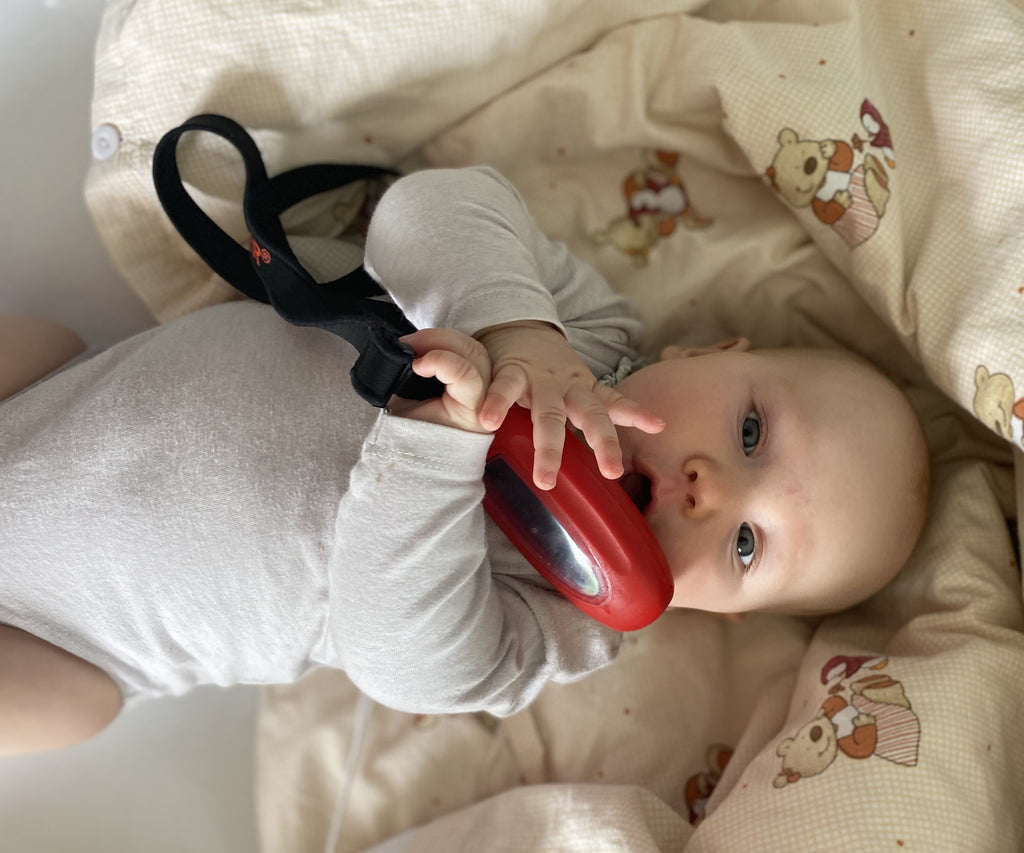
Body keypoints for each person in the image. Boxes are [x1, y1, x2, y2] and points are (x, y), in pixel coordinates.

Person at [0, 167, 929, 756]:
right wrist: (516, 329)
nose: (710, 489)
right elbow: (428, 205)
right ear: (707, 356)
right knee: (38, 340)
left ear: (719, 615)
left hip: (66, 637)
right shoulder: (585, 330)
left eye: (745, 549)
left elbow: (402, 661)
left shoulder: (565, 620)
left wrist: (436, 446)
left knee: (71, 713)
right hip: (43, 397)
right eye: (753, 433)